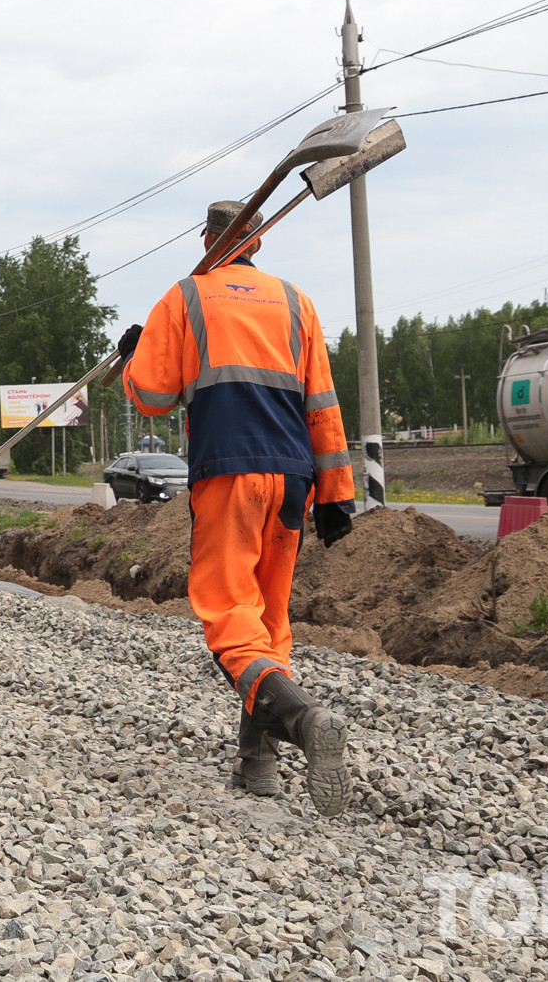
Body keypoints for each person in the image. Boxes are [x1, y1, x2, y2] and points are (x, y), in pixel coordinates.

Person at [118, 200, 357, 815]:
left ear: (206, 239)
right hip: (294, 479)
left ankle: (304, 722)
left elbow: (150, 395)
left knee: (229, 616)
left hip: (228, 475)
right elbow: (323, 402)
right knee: (268, 623)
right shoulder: (296, 302)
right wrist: (336, 494)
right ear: (258, 241)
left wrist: (133, 353)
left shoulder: (186, 296)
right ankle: (257, 765)